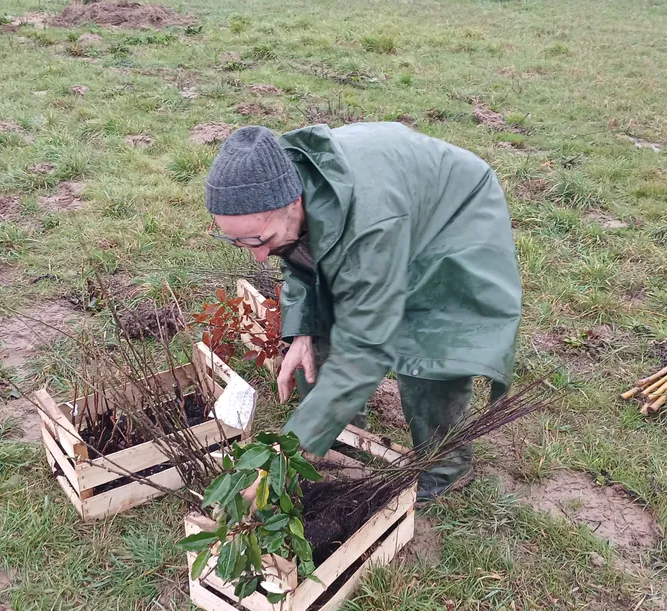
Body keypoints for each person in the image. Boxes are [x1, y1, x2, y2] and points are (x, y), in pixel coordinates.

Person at [205, 123, 522, 499]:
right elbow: (302, 258)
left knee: (428, 344)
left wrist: (284, 452)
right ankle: (343, 442)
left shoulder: (371, 221)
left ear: (294, 203)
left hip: (451, 220)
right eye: (238, 242)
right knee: (322, 328)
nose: (258, 255)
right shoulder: (281, 182)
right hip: (393, 206)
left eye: (260, 241)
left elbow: (368, 346)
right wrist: (302, 331)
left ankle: (445, 468)